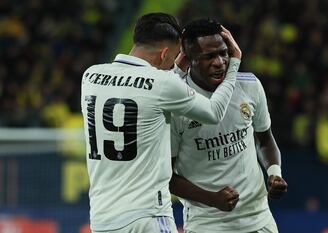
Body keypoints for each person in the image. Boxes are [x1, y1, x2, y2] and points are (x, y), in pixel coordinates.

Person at [80, 13, 242, 233]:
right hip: (147, 216)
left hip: (102, 219)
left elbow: (140, 92)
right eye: (172, 57)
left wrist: (173, 71)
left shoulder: (91, 76)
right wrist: (234, 64)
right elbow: (213, 113)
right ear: (165, 53)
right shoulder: (163, 83)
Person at [169, 18, 288, 233]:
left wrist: (274, 172)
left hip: (259, 219)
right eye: (209, 56)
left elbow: (264, 137)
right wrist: (211, 199)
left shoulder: (249, 85)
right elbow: (166, 175)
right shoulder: (176, 102)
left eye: (224, 53)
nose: (220, 62)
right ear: (189, 59)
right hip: (206, 224)